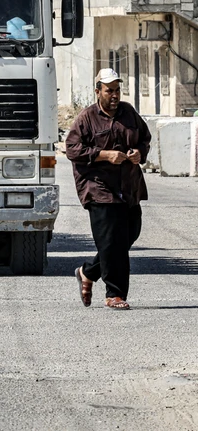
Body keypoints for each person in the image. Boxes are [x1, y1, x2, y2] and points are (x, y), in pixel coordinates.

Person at [65, 69, 151, 310]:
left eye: (117, 90)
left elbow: (145, 138)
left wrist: (139, 153)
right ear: (97, 92)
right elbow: (72, 148)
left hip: (128, 187)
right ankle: (115, 294)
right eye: (108, 90)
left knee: (129, 234)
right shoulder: (87, 118)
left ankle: (88, 272)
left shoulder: (129, 113)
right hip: (98, 188)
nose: (114, 95)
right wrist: (103, 155)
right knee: (112, 243)